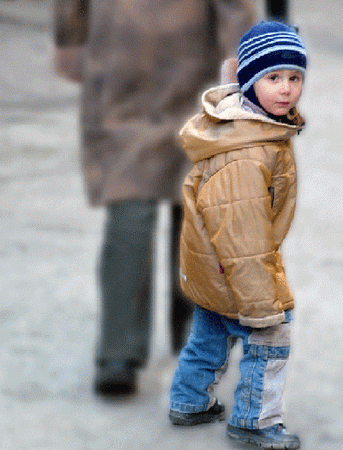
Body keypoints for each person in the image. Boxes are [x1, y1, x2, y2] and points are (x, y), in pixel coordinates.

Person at [53, 0, 255, 394]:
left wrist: (71, 36)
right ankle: (192, 326)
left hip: (119, 47)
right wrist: (240, 53)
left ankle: (119, 352)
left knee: (130, 195)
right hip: (192, 48)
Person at [168, 21, 307, 450]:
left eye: (294, 77)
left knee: (208, 332)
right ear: (250, 81)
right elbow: (242, 236)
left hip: (211, 266)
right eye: (273, 77)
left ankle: (188, 402)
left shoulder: (248, 122)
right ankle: (254, 422)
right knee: (269, 338)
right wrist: (263, 303)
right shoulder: (247, 154)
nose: (286, 89)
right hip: (235, 264)